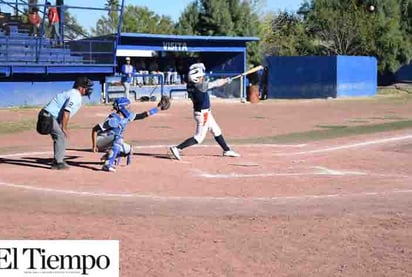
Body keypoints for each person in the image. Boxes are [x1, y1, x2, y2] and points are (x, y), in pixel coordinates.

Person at [169, 63, 240, 160]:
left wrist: (200, 68)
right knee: (199, 137)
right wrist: (226, 80)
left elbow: (195, 70)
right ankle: (177, 148)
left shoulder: (190, 85)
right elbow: (215, 84)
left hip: (203, 112)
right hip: (203, 113)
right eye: (201, 77)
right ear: (195, 79)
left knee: (216, 130)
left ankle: (226, 150)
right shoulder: (200, 86)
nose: (203, 78)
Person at [91, 97, 163, 172]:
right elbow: (95, 129)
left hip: (113, 140)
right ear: (121, 107)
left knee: (128, 150)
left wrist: (158, 108)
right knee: (119, 139)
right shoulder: (113, 119)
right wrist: (94, 146)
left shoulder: (127, 116)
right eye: (127, 106)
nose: (129, 108)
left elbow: (143, 115)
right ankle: (107, 164)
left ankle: (109, 156)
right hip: (100, 141)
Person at [38, 77, 93, 170]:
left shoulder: (72, 93)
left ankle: (59, 159)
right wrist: (64, 127)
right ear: (80, 88)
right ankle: (57, 162)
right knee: (60, 136)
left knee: (60, 136)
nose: (88, 89)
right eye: (86, 87)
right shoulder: (75, 95)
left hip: (48, 116)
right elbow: (66, 111)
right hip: (48, 117)